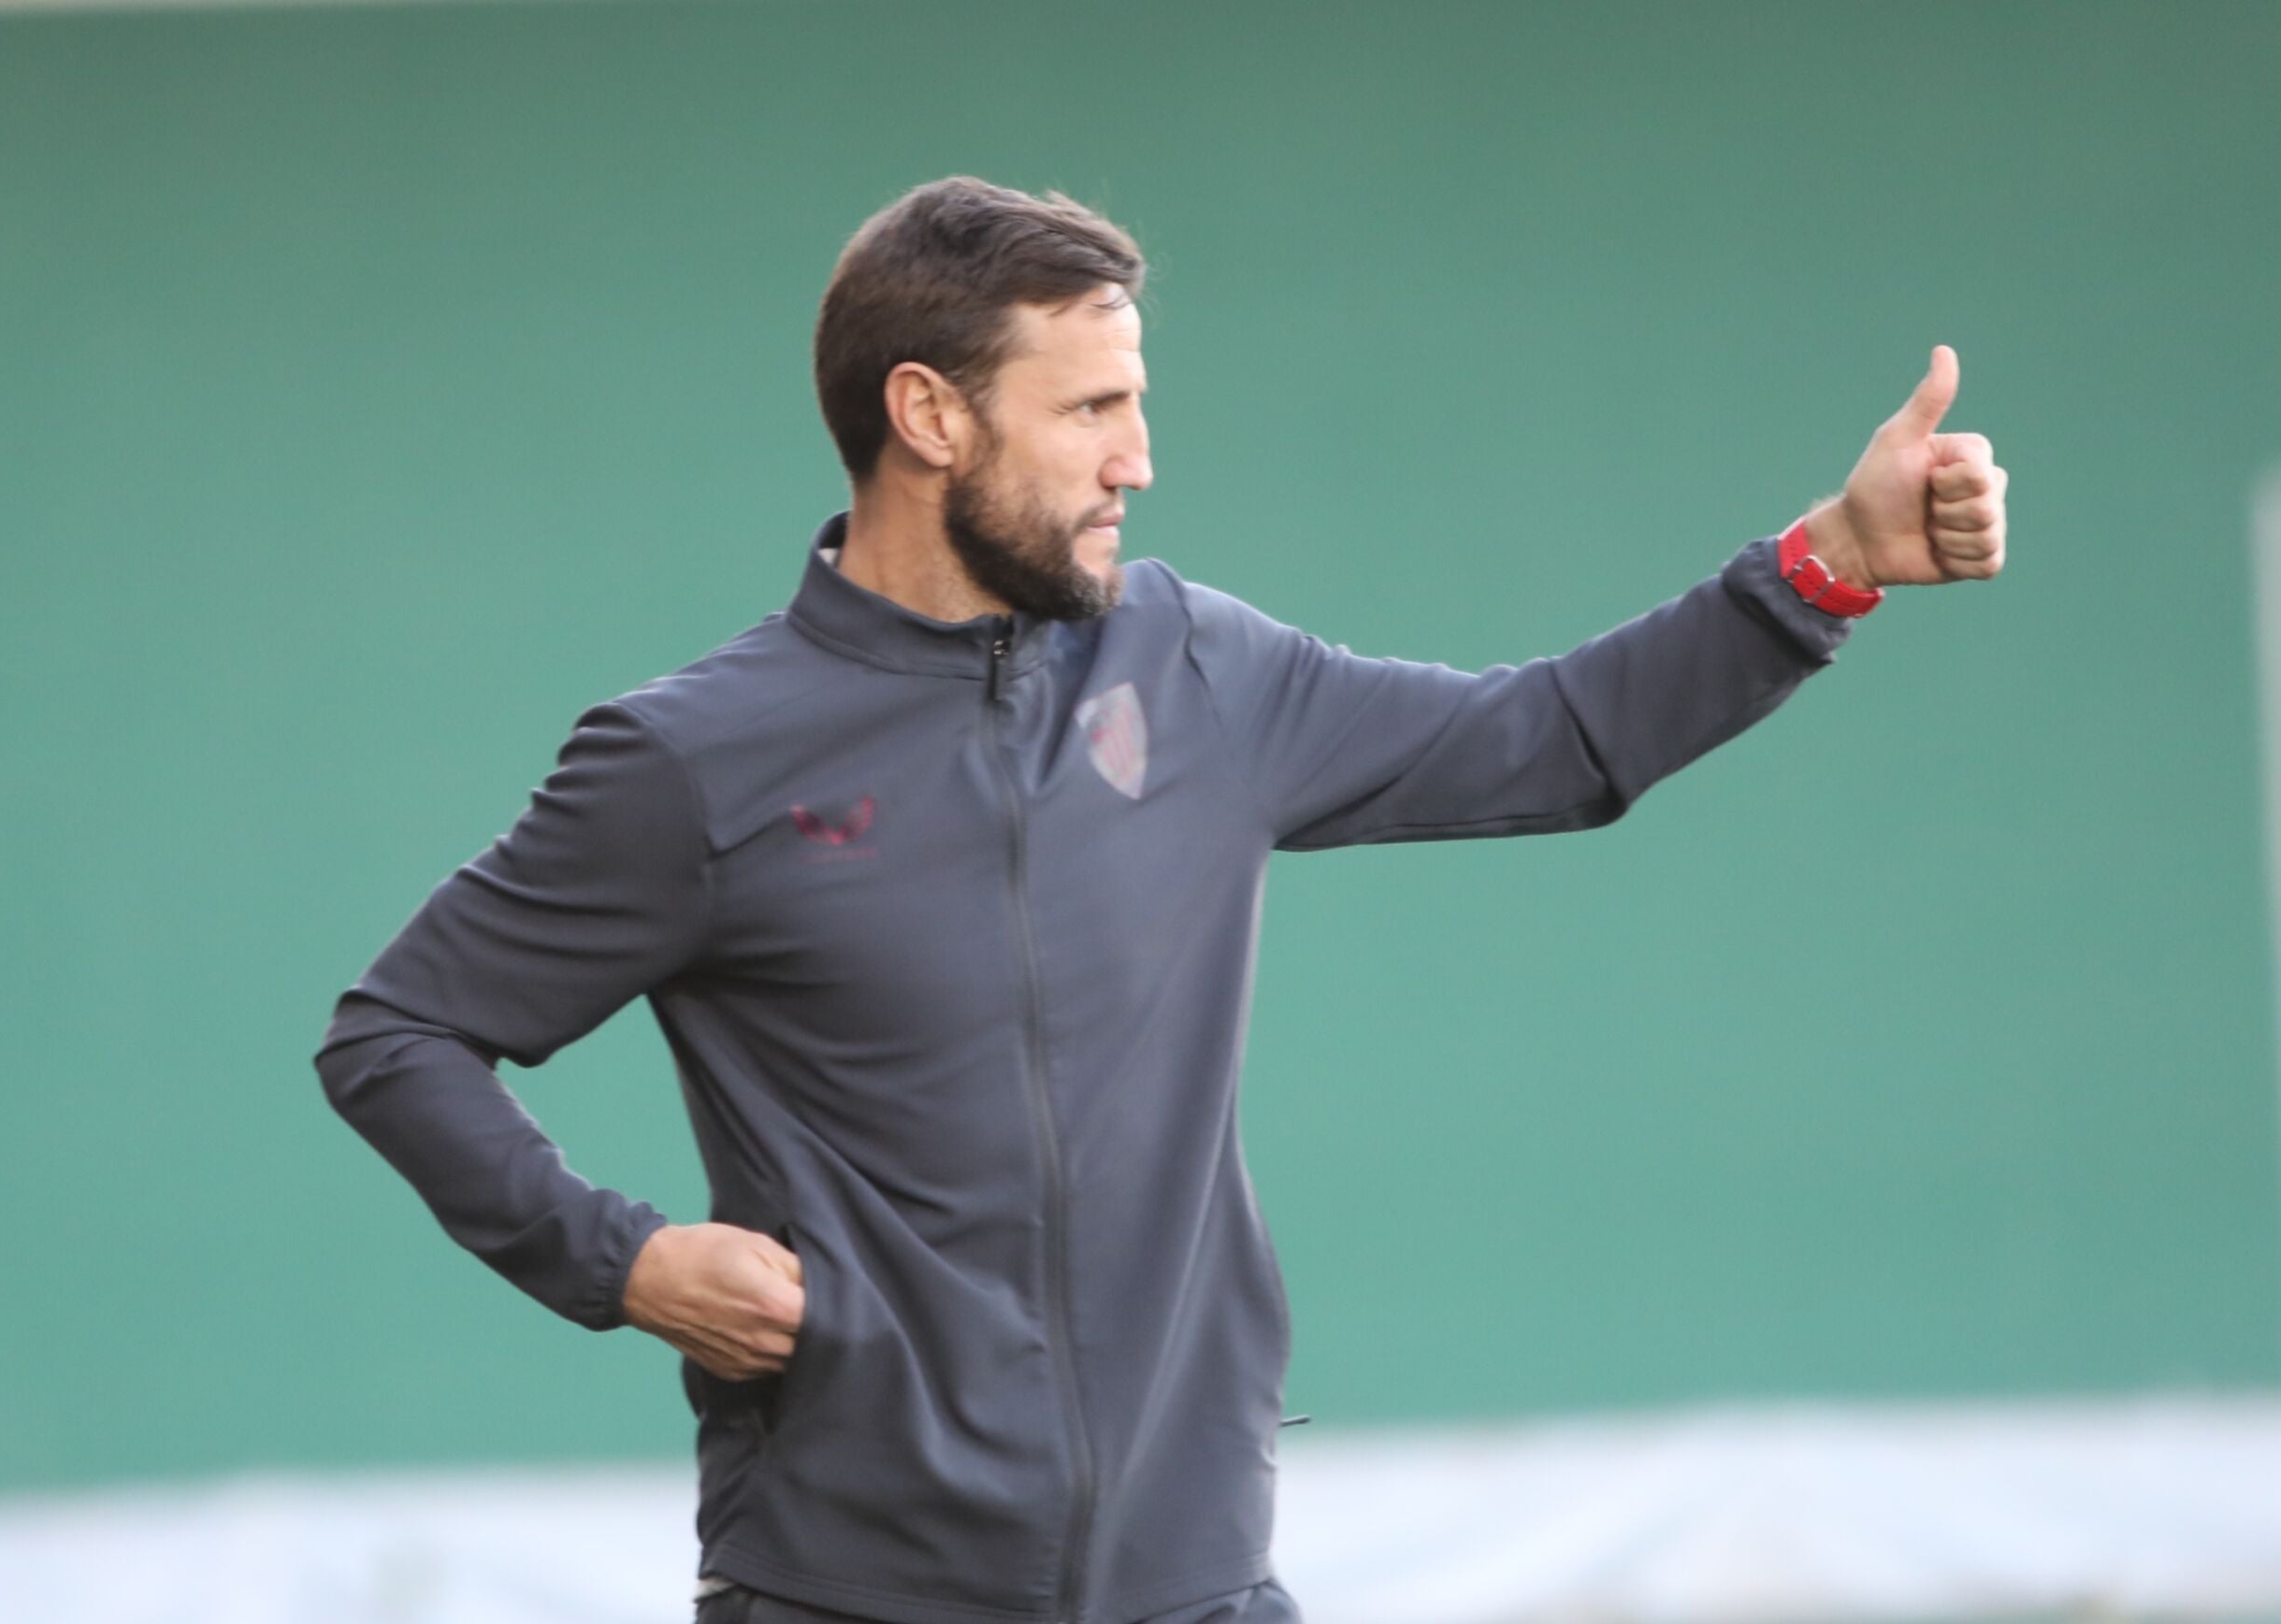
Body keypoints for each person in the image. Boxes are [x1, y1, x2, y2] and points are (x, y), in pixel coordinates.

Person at [314, 175, 2008, 1624]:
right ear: (928, 416)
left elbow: (1553, 740)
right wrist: (622, 1258)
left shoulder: (1197, 666)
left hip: (1197, 1580)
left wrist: (1825, 565)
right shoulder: (690, 759)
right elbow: (398, 1034)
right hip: (846, 1589)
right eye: (1090, 411)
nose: (1137, 458)